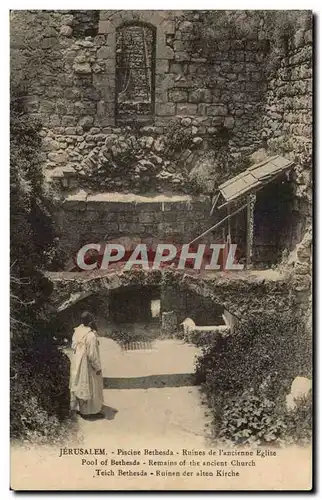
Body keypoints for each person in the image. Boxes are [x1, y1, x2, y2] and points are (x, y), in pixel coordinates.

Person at [69, 311, 104, 418]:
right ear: (90, 322)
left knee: (79, 384)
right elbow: (92, 355)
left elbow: (73, 346)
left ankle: (80, 409)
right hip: (87, 365)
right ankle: (90, 412)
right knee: (91, 385)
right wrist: (97, 367)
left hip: (77, 363)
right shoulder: (91, 336)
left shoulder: (77, 331)